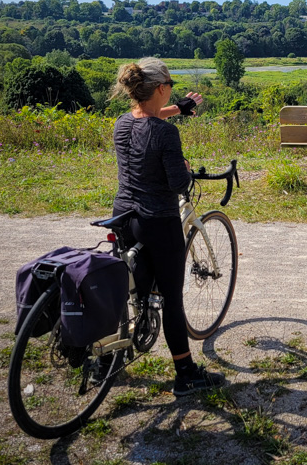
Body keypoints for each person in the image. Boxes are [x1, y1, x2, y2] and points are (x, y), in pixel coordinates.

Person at [109, 57, 223, 396]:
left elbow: (147, 121)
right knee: (172, 298)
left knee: (130, 289)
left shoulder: (121, 123)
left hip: (122, 215)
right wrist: (186, 169)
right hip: (156, 220)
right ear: (160, 87)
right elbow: (177, 184)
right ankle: (186, 373)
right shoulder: (165, 133)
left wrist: (178, 109)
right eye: (170, 85)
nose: (171, 89)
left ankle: (109, 355)